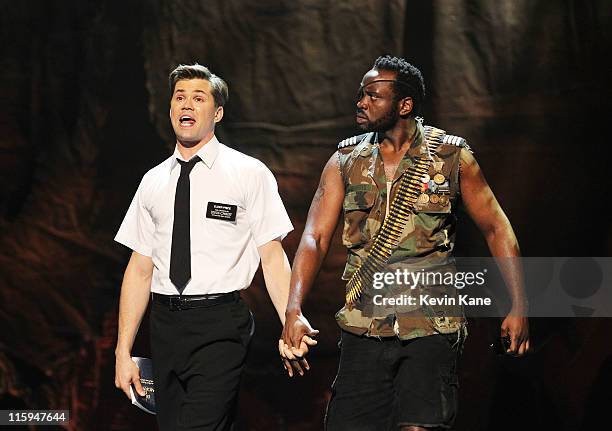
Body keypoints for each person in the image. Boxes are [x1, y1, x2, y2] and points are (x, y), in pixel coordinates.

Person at [280, 55, 530, 430]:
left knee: (421, 426)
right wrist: (293, 309)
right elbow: (314, 238)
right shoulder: (345, 160)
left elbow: (497, 228)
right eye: (360, 95)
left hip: (431, 324)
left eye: (373, 96)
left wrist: (519, 305)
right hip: (365, 324)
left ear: (405, 104)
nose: (361, 103)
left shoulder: (450, 156)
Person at [114, 63, 294, 431]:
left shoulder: (248, 173)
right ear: (170, 109)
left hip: (220, 323)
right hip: (164, 325)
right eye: (180, 97)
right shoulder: (152, 181)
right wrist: (123, 351)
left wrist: (291, 317)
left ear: (218, 112)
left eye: (199, 98)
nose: (187, 105)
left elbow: (272, 255)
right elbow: (139, 267)